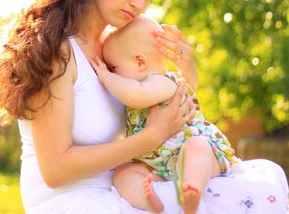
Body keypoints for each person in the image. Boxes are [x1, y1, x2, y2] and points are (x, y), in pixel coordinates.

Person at [0, 0, 289, 214]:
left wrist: (185, 69)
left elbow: (174, 113)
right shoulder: (57, 51)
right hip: (73, 202)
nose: (139, 2)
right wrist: (149, 138)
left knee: (256, 182)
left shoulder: (117, 51)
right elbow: (55, 171)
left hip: (121, 187)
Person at [91, 15, 241, 213]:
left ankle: (192, 189)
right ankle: (151, 201)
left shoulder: (163, 82)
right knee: (122, 174)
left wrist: (107, 77)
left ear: (140, 62)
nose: (112, 72)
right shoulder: (138, 85)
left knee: (197, 149)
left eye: (114, 67)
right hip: (155, 162)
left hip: (185, 149)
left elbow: (136, 95)